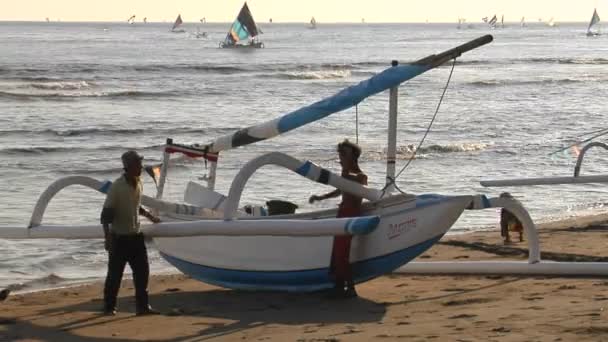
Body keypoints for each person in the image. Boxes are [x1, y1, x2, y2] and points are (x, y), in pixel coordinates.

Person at [100, 150, 161, 316]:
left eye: (140, 163)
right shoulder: (117, 187)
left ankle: (142, 307)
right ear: (128, 167)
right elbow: (105, 215)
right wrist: (108, 238)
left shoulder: (139, 182)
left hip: (136, 237)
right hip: (119, 239)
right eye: (137, 164)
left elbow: (136, 206)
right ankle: (109, 307)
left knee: (143, 273)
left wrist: (151, 217)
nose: (141, 167)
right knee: (114, 275)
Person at [309, 139, 367, 298]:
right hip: (342, 213)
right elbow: (340, 190)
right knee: (336, 251)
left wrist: (345, 172)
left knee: (343, 252)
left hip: (351, 215)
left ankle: (351, 288)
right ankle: (338, 285)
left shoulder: (360, 176)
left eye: (344, 154)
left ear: (353, 157)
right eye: (340, 154)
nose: (340, 157)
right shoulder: (345, 175)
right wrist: (321, 197)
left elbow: (353, 185)